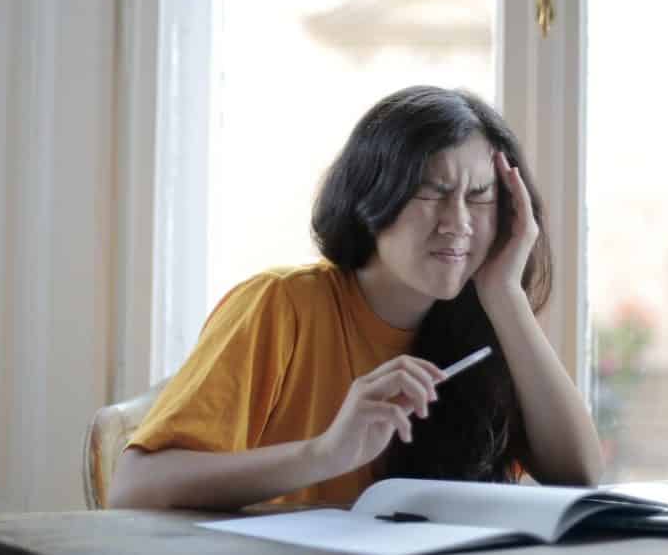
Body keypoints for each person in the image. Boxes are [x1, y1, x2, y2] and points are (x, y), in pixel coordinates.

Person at [108, 85, 604, 510]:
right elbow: (133, 488)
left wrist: (505, 294)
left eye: (479, 196)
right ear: (374, 195)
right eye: (432, 193)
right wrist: (324, 454)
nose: (459, 222)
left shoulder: (487, 321)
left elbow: (578, 474)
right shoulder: (281, 305)